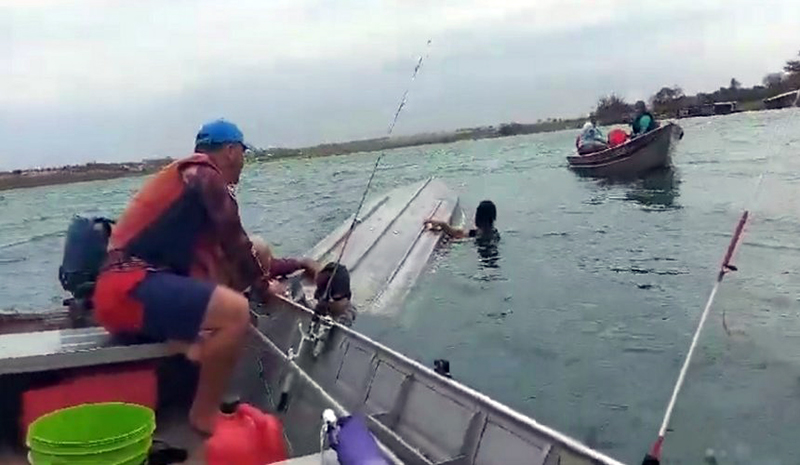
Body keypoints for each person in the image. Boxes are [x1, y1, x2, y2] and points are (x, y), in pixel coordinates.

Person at [92, 119, 279, 433]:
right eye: (243, 154)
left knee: (219, 314)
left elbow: (236, 255)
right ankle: (204, 416)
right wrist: (264, 288)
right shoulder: (204, 175)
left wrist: (298, 264)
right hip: (129, 288)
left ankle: (192, 370)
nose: (243, 163)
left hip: (125, 293)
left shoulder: (188, 193)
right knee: (235, 314)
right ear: (232, 151)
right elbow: (237, 244)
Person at [424, 200, 499, 240]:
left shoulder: (479, 234)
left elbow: (456, 234)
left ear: (478, 217)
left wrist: (442, 224)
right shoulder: (494, 233)